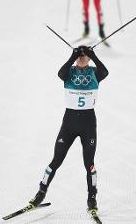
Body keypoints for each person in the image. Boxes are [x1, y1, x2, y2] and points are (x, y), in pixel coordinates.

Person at [29, 45, 109, 212]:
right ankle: (41, 192)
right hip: (69, 124)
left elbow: (105, 72)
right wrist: (73, 56)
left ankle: (92, 198)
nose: (81, 57)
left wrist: (92, 55)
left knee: (89, 163)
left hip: (88, 124)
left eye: (84, 55)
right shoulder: (69, 72)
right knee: (56, 160)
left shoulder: (95, 72)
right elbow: (60, 74)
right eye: (79, 55)